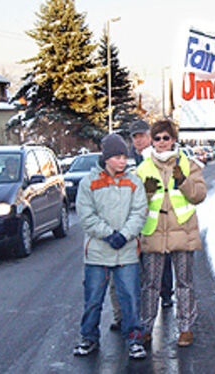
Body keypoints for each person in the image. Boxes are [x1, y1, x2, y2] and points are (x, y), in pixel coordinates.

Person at [73, 133, 148, 359]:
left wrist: (124, 235)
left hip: (126, 252)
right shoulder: (89, 183)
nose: (123, 161)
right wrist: (108, 235)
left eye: (124, 156)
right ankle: (88, 338)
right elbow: (86, 215)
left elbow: (139, 212)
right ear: (106, 159)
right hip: (97, 253)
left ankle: (134, 339)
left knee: (131, 299)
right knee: (93, 300)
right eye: (117, 157)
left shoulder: (134, 182)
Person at [137, 119, 206, 348]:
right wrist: (145, 194)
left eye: (166, 138)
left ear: (173, 140)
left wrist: (183, 181)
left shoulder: (188, 164)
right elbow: (135, 203)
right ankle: (145, 328)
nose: (162, 142)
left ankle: (185, 328)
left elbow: (198, 195)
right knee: (150, 285)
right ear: (152, 141)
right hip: (154, 232)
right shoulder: (143, 167)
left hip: (183, 232)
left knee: (185, 283)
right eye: (157, 138)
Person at [130, 119, 174, 310]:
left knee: (163, 257)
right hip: (137, 216)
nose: (139, 140)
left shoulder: (158, 156)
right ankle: (144, 292)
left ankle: (165, 293)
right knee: (142, 258)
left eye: (142, 136)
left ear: (150, 136)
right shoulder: (129, 158)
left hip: (159, 215)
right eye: (135, 137)